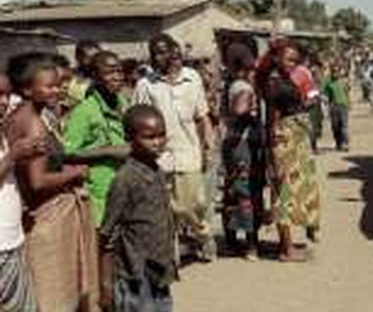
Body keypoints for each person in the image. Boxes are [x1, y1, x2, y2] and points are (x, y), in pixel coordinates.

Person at [6, 52, 101, 312]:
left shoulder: (23, 116)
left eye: (57, 84)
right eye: (48, 86)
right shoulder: (32, 122)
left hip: (38, 217)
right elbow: (37, 181)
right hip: (47, 219)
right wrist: (76, 172)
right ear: (26, 89)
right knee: (53, 302)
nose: (56, 90)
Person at [134, 34, 216, 262]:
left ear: (173, 52)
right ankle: (171, 255)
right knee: (164, 210)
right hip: (159, 157)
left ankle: (203, 234)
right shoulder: (145, 84)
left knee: (190, 205)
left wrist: (208, 145)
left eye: (161, 52)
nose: (156, 58)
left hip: (188, 153)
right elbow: (138, 118)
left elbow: (202, 116)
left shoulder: (192, 79)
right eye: (153, 54)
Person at [100, 105, 176, 312]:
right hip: (135, 270)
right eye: (149, 137)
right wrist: (105, 281)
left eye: (161, 135)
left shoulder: (157, 171)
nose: (157, 142)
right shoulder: (125, 178)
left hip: (161, 267)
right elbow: (107, 231)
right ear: (129, 139)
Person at [256, 40, 321, 262]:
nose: (294, 64)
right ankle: (286, 249)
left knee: (293, 191)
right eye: (289, 59)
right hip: (284, 141)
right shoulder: (274, 83)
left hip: (295, 139)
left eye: (296, 60)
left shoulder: (282, 79)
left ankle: (289, 244)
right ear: (276, 58)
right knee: (283, 193)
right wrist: (275, 153)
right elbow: (272, 120)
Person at [0, 72, 46, 312]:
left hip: (11, 241)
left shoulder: (4, 131)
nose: (3, 101)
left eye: (6, 94)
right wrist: (13, 157)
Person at [64, 51, 130, 228]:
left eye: (119, 71)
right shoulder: (84, 111)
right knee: (104, 246)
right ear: (94, 76)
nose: (117, 77)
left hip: (125, 186)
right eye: (109, 72)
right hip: (100, 191)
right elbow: (66, 154)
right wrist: (108, 151)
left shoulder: (123, 102)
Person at [221, 47, 266, 260]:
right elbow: (240, 109)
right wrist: (250, 109)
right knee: (247, 192)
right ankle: (251, 245)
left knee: (233, 191)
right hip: (243, 146)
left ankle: (231, 242)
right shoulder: (243, 86)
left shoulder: (229, 84)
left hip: (232, 144)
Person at [68, 40, 102, 110]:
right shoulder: (69, 77)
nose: (94, 61)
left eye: (97, 57)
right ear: (78, 57)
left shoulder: (102, 77)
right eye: (90, 58)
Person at [323, 64, 350, 151]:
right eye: (334, 72)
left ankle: (345, 143)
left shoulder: (343, 82)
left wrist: (348, 103)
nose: (336, 73)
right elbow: (326, 96)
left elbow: (347, 92)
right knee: (335, 126)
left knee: (344, 126)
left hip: (343, 105)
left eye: (337, 71)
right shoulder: (329, 84)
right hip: (334, 106)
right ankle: (338, 143)